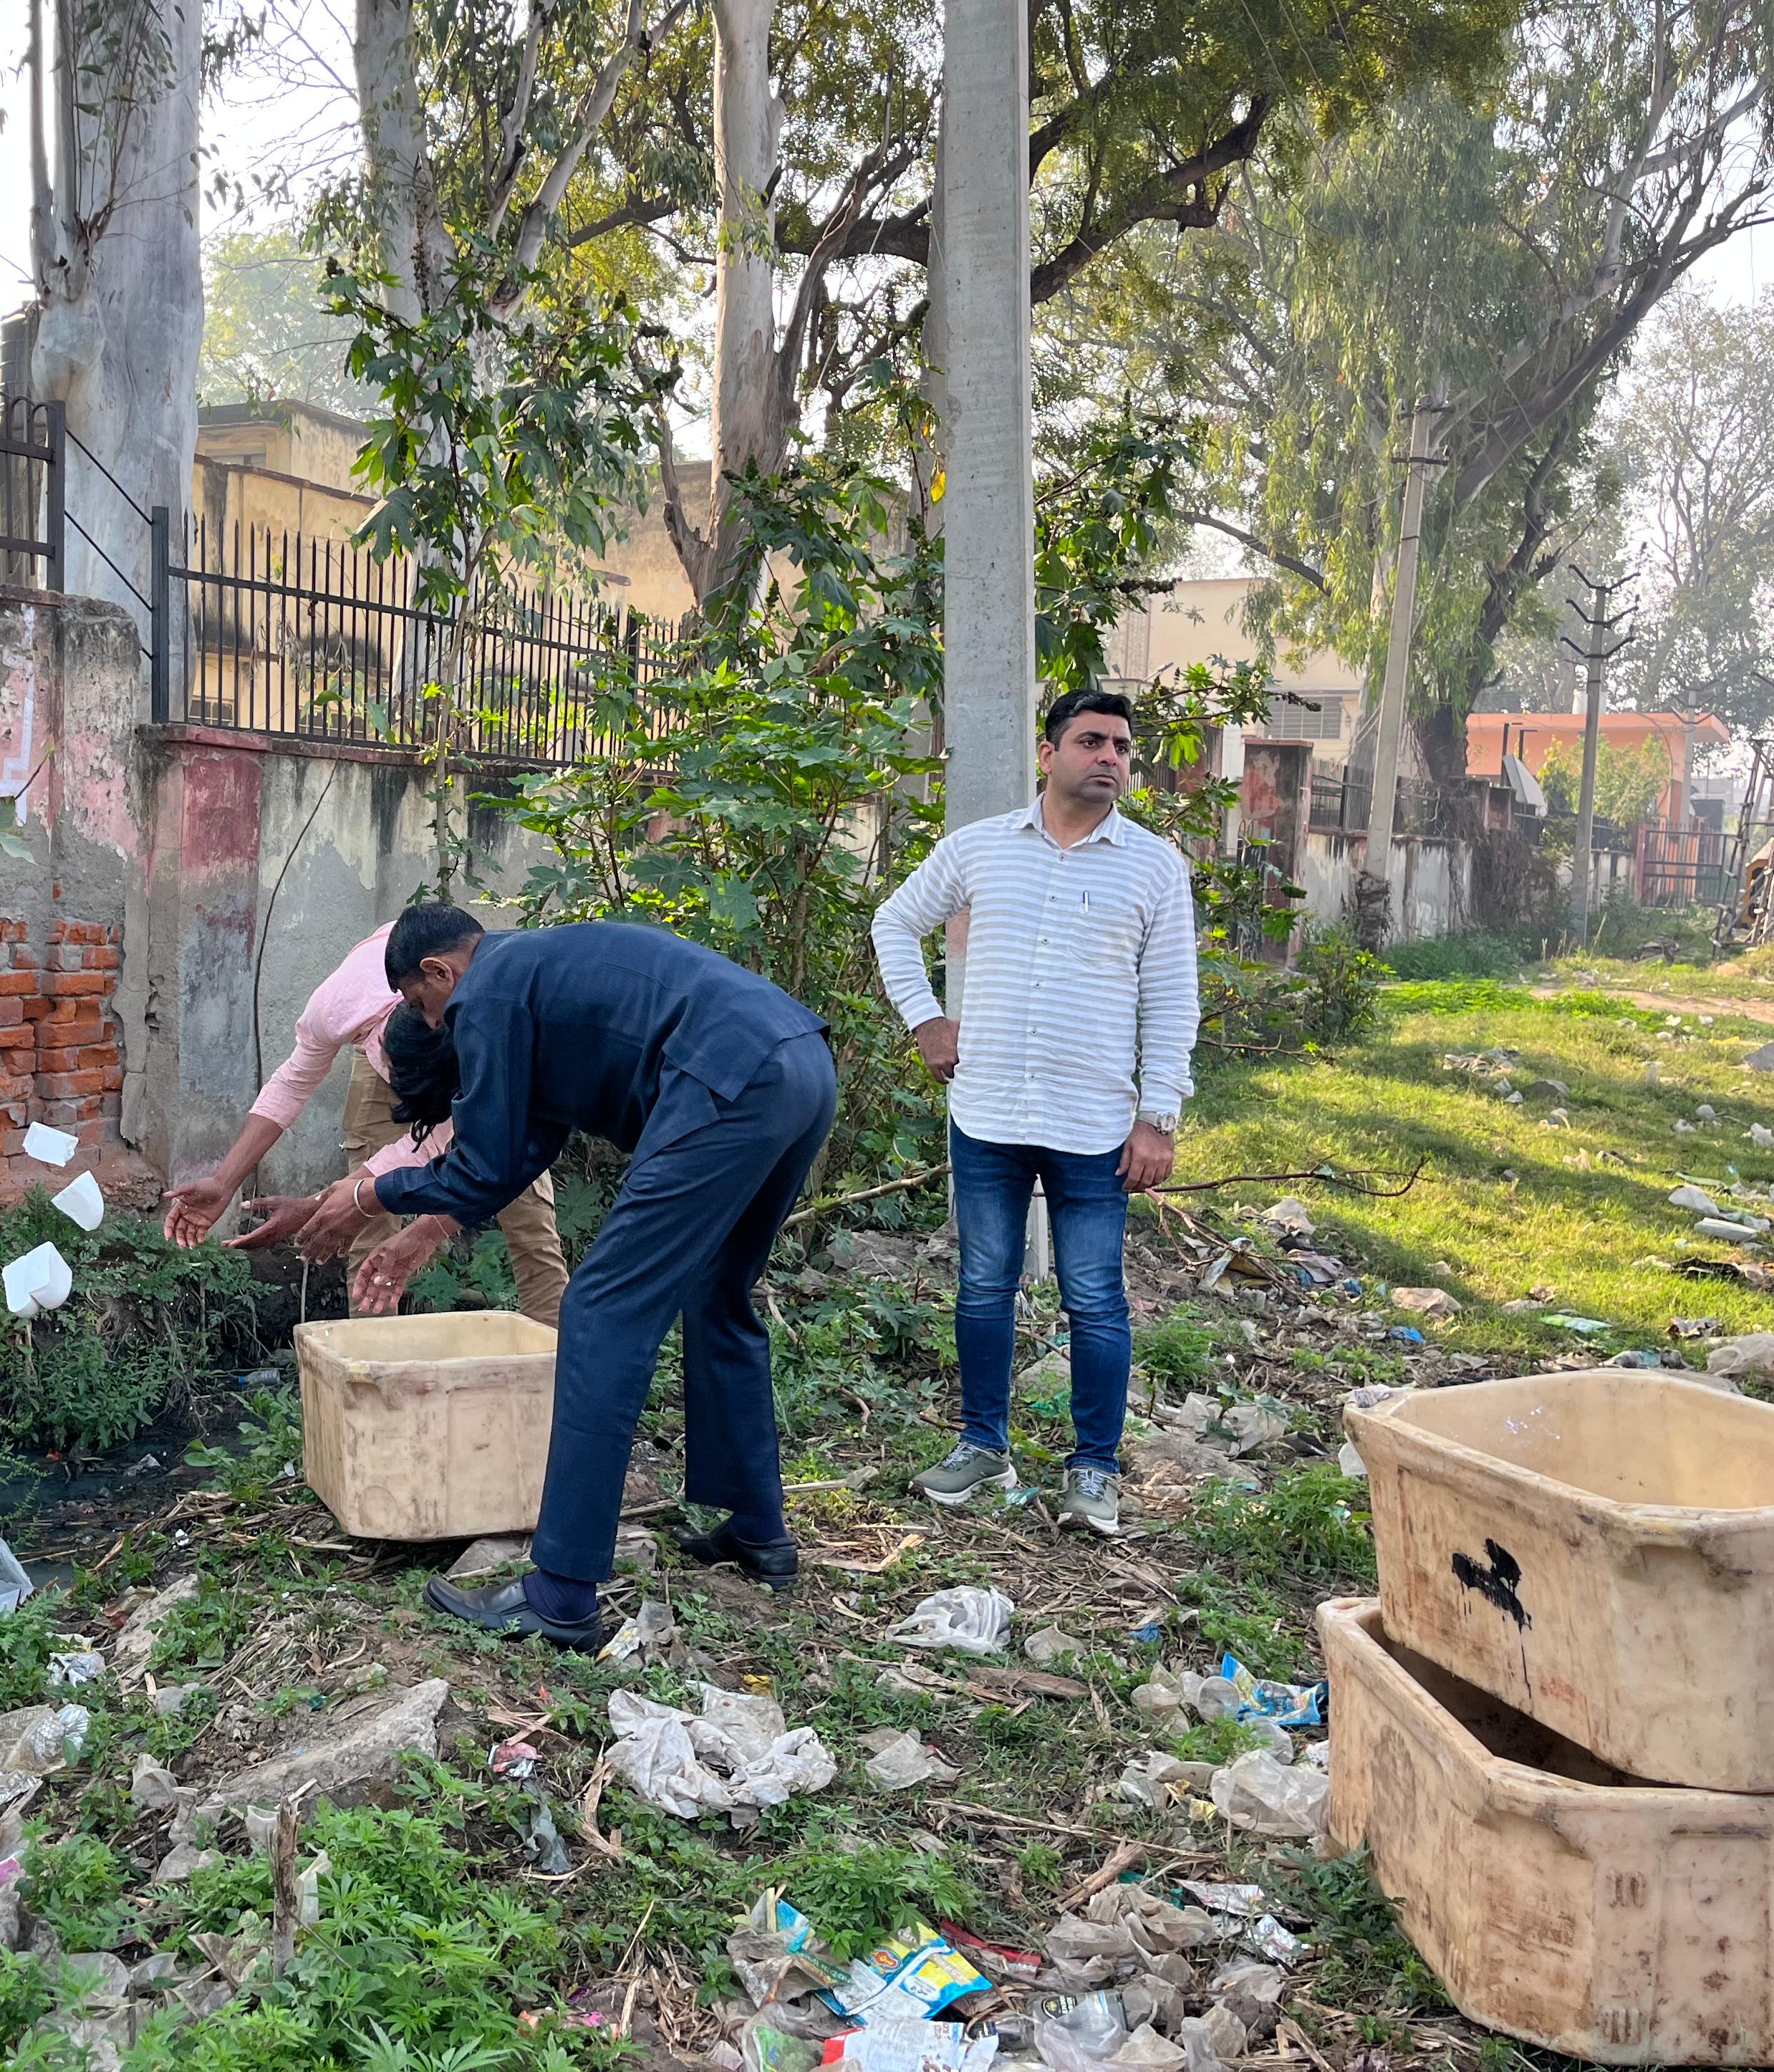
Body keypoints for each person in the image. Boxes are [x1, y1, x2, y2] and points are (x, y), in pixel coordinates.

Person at [249, 903, 835, 1649]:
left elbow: (484, 1166)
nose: (432, 1022)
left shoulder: (486, 991)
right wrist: (385, 1197)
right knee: (717, 1294)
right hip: (797, 1061)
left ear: (440, 972)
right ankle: (759, 1531)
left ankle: (560, 1595)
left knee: (599, 1312)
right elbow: (515, 1158)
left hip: (726, 1082)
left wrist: (373, 1192)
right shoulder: (540, 980)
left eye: (422, 1006)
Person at [868, 687, 1199, 1537]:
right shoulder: (980, 850)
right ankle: (984, 1445)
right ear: (1048, 755)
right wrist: (926, 1018)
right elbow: (894, 922)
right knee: (983, 1286)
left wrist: (1156, 1116)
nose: (1111, 759)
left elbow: (1169, 999)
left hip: (1094, 1122)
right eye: (1092, 741)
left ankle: (1093, 1471)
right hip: (988, 1113)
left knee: (1094, 1296)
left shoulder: (1154, 867)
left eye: (1123, 748)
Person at [160, 919, 568, 1327]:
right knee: (365, 1225)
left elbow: (478, 1169)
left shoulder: (500, 1025)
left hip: (475, 1050)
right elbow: (292, 1083)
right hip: (402, 1040)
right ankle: (368, 1373)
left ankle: (554, 1364)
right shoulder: (338, 1008)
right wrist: (225, 1181)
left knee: (527, 1213)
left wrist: (420, 1234)